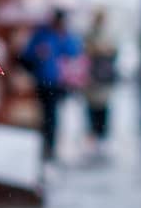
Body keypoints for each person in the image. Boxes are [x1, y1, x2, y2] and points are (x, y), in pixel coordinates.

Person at [19, 9, 82, 160]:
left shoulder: (65, 36)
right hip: (42, 80)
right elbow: (27, 53)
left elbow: (74, 52)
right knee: (45, 113)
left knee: (52, 114)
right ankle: (45, 143)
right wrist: (37, 53)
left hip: (58, 82)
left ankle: (50, 145)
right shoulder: (42, 34)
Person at [83, 9, 119, 145]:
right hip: (93, 76)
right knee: (92, 106)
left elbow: (114, 51)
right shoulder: (89, 34)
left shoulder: (109, 34)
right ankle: (94, 132)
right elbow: (85, 51)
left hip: (104, 76)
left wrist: (105, 50)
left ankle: (102, 134)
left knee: (103, 106)